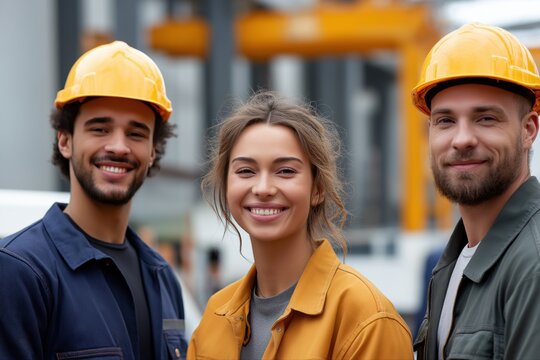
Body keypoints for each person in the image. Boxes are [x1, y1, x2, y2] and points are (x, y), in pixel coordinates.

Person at [188, 91, 413, 359]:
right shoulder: (215, 314)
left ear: (317, 188)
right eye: (246, 171)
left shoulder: (366, 318)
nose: (263, 188)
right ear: (226, 185)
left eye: (285, 171)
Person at [0, 41, 188, 359]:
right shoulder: (19, 271)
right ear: (65, 141)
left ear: (153, 150)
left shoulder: (163, 277)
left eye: (136, 133)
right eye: (100, 128)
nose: (118, 147)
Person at [412, 23, 540, 360]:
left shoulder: (533, 265)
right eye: (445, 121)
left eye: (485, 118)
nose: (462, 139)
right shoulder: (452, 264)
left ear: (528, 130)